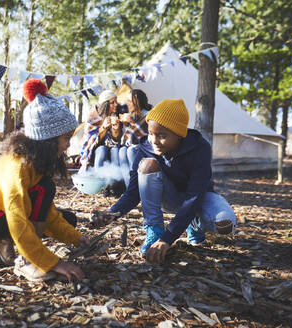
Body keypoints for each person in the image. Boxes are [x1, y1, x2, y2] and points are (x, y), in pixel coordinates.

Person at [0, 79, 90, 282]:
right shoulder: (18, 168)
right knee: (44, 190)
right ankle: (25, 261)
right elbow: (17, 219)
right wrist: (52, 263)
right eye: (66, 138)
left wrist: (76, 239)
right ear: (48, 139)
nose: (68, 145)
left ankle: (13, 246)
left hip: (8, 214)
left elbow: (48, 213)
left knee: (63, 213)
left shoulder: (36, 163)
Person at [91, 99, 236, 264]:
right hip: (169, 197)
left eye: (162, 136)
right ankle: (154, 231)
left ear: (179, 134)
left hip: (199, 198)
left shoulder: (199, 147)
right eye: (151, 133)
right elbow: (133, 192)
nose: (154, 140)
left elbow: (195, 196)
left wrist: (168, 239)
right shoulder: (146, 148)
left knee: (226, 223)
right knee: (147, 165)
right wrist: (112, 213)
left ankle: (194, 225)